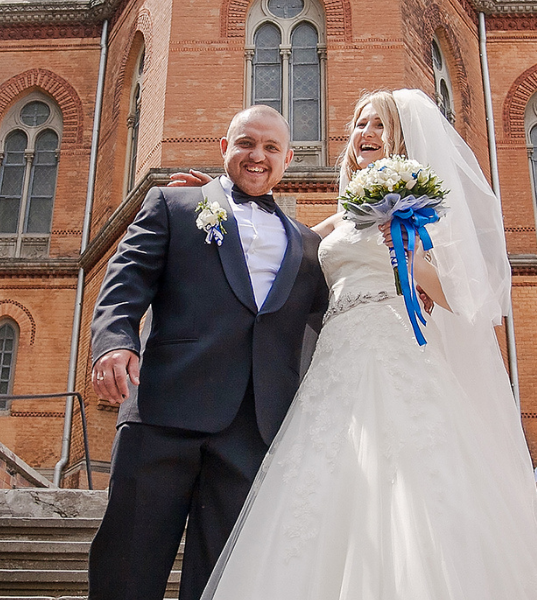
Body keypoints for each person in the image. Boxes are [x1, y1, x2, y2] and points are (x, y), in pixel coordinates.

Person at [197, 90, 537, 599]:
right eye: (358, 124)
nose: (366, 133)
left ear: (401, 138)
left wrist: (407, 253)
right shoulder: (341, 216)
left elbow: (468, 297)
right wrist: (218, 200)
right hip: (336, 360)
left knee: (410, 483)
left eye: (379, 124)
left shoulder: (424, 210)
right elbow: (288, 240)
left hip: (396, 348)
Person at [85, 104, 330, 600]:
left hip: (254, 428)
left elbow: (331, 318)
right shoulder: (173, 205)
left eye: (270, 148)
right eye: (245, 143)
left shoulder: (307, 245)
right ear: (224, 148)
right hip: (164, 411)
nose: (256, 156)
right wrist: (114, 343)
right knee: (128, 567)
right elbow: (125, 280)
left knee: (224, 580)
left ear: (287, 160)